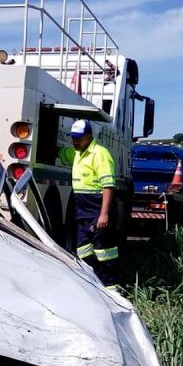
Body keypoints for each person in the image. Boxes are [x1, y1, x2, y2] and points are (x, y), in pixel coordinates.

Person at [58, 119, 119, 290]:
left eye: (79, 138)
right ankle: (95, 282)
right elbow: (61, 153)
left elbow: (108, 186)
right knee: (82, 249)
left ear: (89, 136)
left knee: (104, 251)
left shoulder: (100, 154)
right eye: (73, 138)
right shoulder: (76, 152)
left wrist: (104, 214)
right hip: (82, 209)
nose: (75, 142)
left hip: (98, 208)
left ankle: (111, 289)